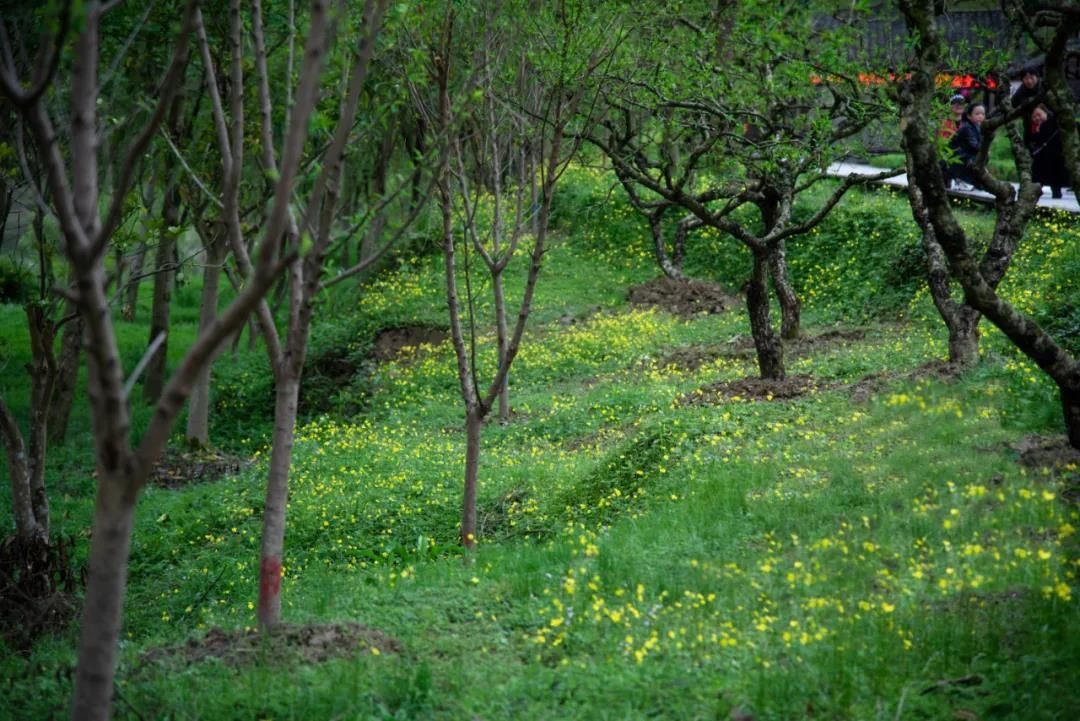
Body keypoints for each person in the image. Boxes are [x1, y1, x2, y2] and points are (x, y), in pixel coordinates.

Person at [1026, 104, 1070, 199]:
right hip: (1039, 160)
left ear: (1045, 113)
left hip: (1056, 157)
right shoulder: (1031, 128)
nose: (1037, 118)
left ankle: (1057, 193)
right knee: (1036, 180)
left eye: (1039, 114)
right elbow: (1029, 142)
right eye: (1034, 116)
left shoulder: (1054, 122)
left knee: (1056, 179)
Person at [949, 103, 985, 189]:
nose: (980, 116)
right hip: (957, 158)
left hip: (965, 157)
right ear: (969, 116)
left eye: (983, 114)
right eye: (977, 114)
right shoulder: (967, 128)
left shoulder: (977, 127)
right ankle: (960, 180)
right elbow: (974, 146)